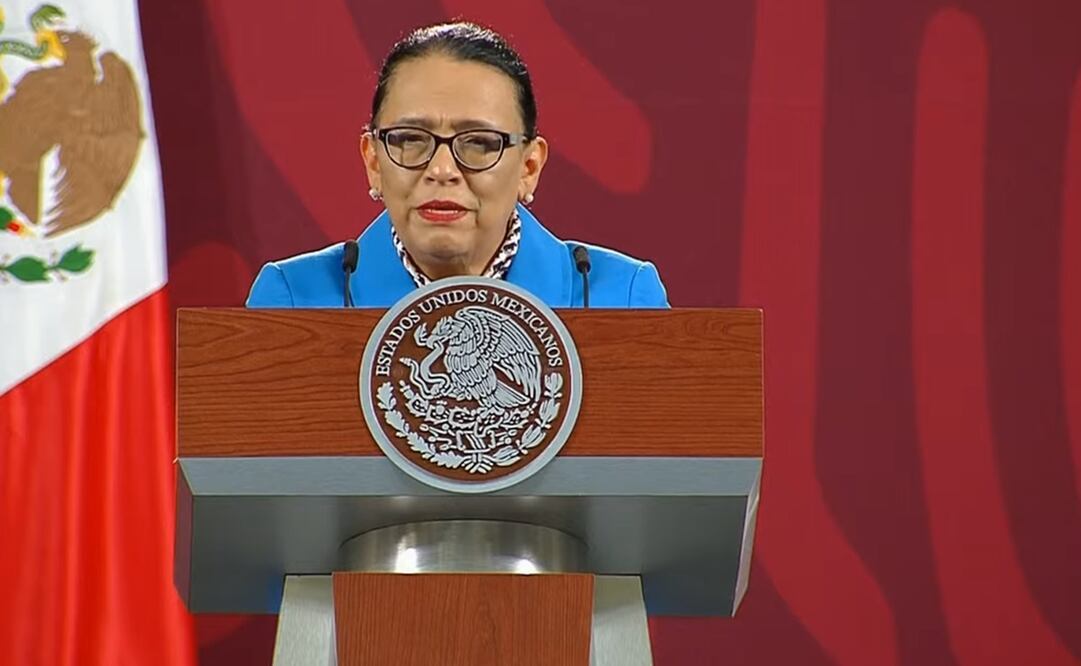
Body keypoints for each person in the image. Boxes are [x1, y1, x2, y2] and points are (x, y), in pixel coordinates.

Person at [246, 21, 668, 309]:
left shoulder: (620, 297)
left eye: (479, 143)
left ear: (529, 167)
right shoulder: (295, 298)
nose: (442, 169)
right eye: (411, 140)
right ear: (373, 161)